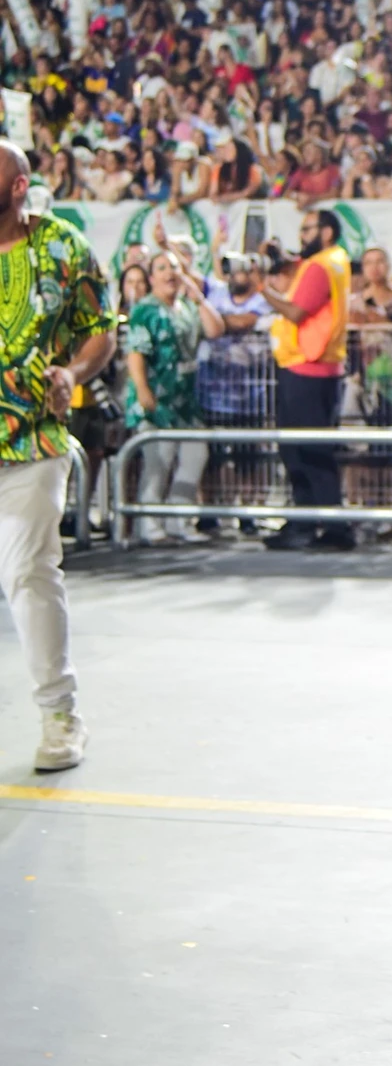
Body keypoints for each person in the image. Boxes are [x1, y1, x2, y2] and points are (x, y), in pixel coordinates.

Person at [0, 141, 117, 770]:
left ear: (19, 187)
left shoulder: (62, 247)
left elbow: (101, 329)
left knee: (27, 572)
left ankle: (59, 714)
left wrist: (73, 372)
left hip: (33, 440)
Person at [263, 207, 352, 550]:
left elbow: (296, 311)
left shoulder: (319, 266)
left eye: (307, 229)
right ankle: (319, 524)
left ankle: (318, 526)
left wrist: (261, 289)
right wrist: (281, 258)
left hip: (305, 367)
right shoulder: (336, 260)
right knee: (312, 449)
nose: (302, 236)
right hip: (321, 366)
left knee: (302, 451)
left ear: (326, 232)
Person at [124, 249, 225, 542]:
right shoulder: (145, 310)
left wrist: (198, 298)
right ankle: (149, 524)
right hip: (156, 396)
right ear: (152, 277)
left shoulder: (187, 308)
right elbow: (136, 351)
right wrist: (142, 389)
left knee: (196, 453)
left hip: (185, 399)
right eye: (162, 268)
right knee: (159, 459)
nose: (169, 273)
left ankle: (179, 520)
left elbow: (215, 330)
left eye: (174, 267)